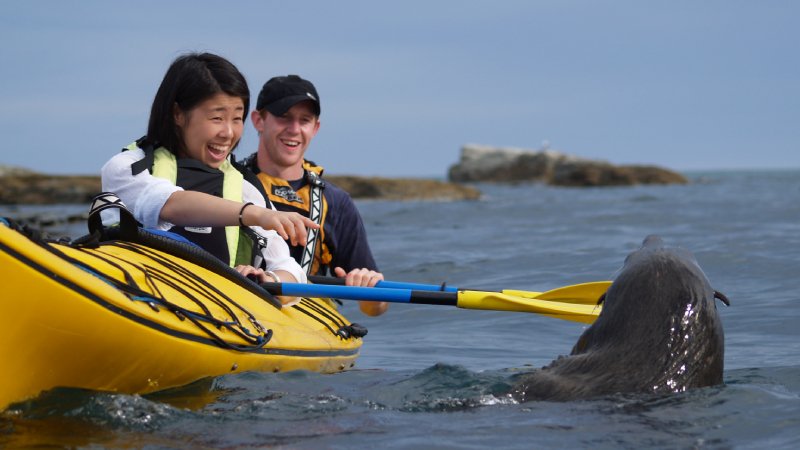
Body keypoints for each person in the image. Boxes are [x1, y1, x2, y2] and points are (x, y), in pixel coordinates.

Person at [101, 53, 317, 303]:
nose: (228, 133)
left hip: (215, 317)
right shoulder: (129, 168)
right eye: (217, 118)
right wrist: (258, 214)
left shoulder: (245, 188)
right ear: (177, 114)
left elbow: (293, 272)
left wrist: (266, 280)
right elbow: (172, 204)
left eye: (237, 118)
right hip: (136, 298)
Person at [244, 75, 388, 316]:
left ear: (315, 128)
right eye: (284, 118)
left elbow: (375, 308)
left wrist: (370, 288)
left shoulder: (336, 202)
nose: (294, 130)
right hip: (241, 307)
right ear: (259, 120)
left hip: (306, 321)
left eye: (305, 120)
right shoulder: (231, 183)